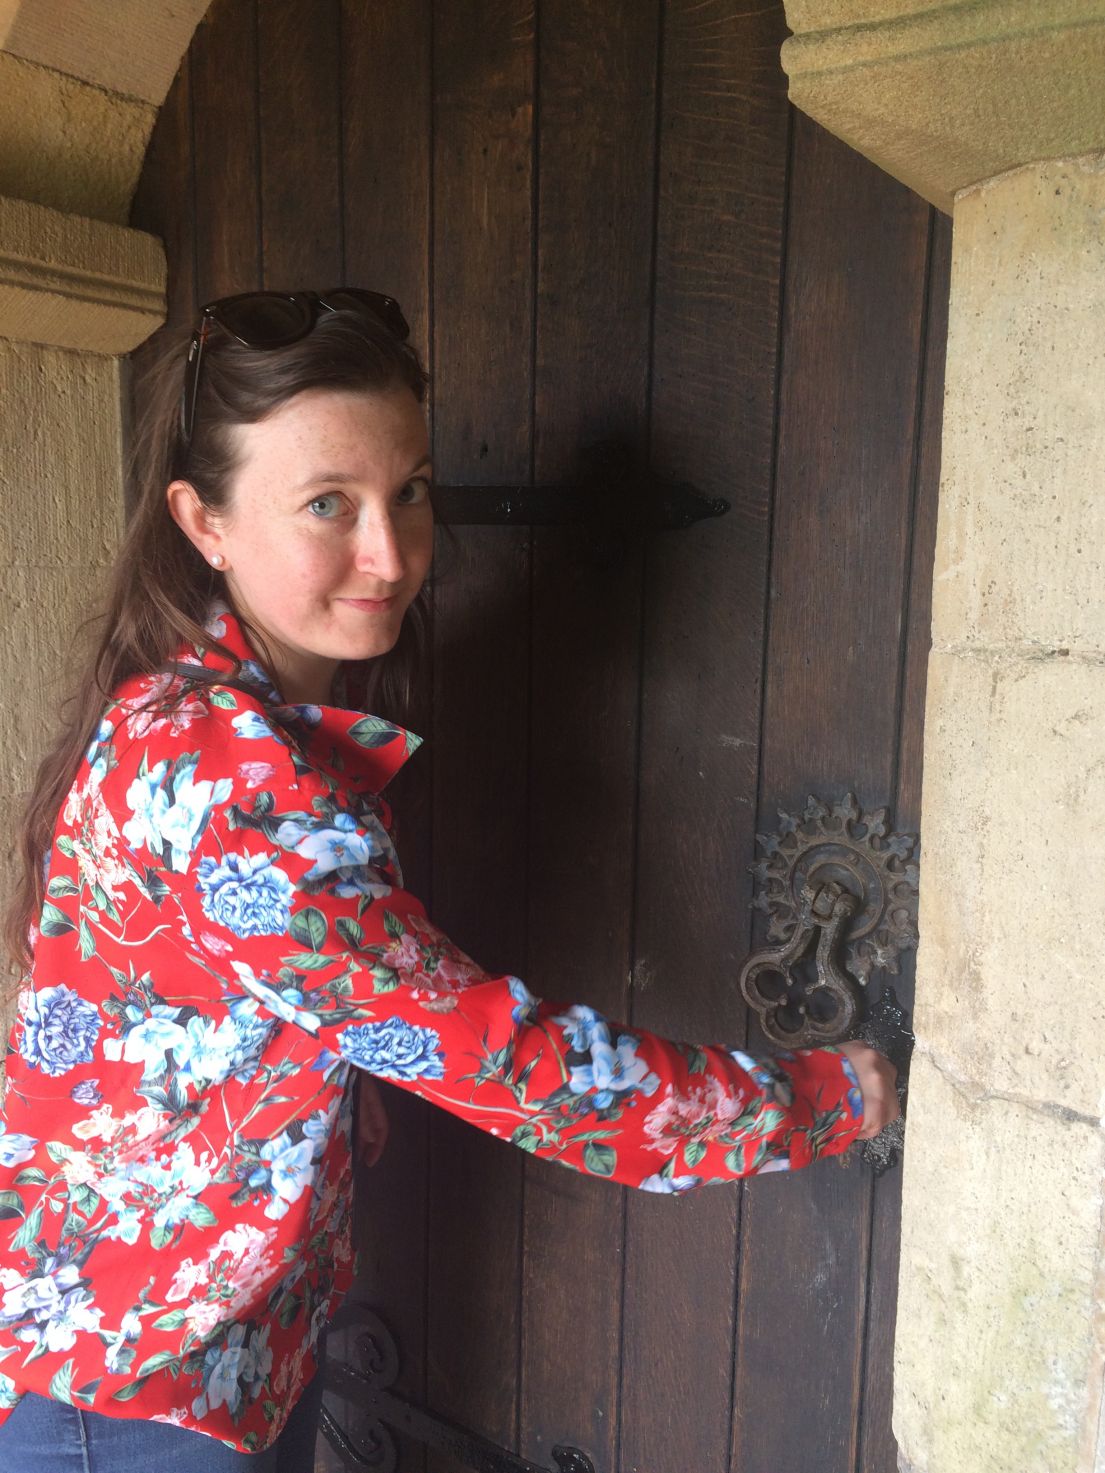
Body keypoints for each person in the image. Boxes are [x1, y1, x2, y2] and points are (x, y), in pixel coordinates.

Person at [0, 290, 899, 1469]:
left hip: (180, 1348)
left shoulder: (183, 697)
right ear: (201, 521)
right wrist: (824, 1101)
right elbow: (508, 1063)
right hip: (139, 1399)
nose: (391, 554)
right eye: (328, 504)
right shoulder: (237, 781)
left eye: (409, 492)